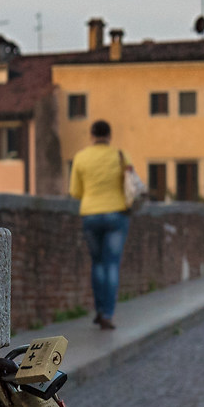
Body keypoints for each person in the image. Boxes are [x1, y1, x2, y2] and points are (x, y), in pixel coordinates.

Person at [67, 119, 131, 330]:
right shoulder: (120, 156)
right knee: (112, 264)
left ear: (91, 135)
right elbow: (130, 184)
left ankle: (99, 309)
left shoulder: (81, 157)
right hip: (116, 214)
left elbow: (75, 192)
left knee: (97, 264)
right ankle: (108, 313)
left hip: (91, 214)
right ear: (109, 135)